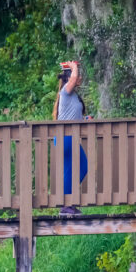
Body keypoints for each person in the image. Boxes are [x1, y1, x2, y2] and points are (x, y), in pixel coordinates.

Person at [52, 60, 89, 216]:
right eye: (77, 75)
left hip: (70, 138)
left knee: (80, 167)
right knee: (73, 169)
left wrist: (87, 120)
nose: (79, 77)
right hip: (64, 138)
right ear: (69, 78)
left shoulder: (73, 96)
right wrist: (73, 66)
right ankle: (65, 205)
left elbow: (75, 118)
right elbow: (73, 79)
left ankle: (68, 204)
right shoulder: (65, 92)